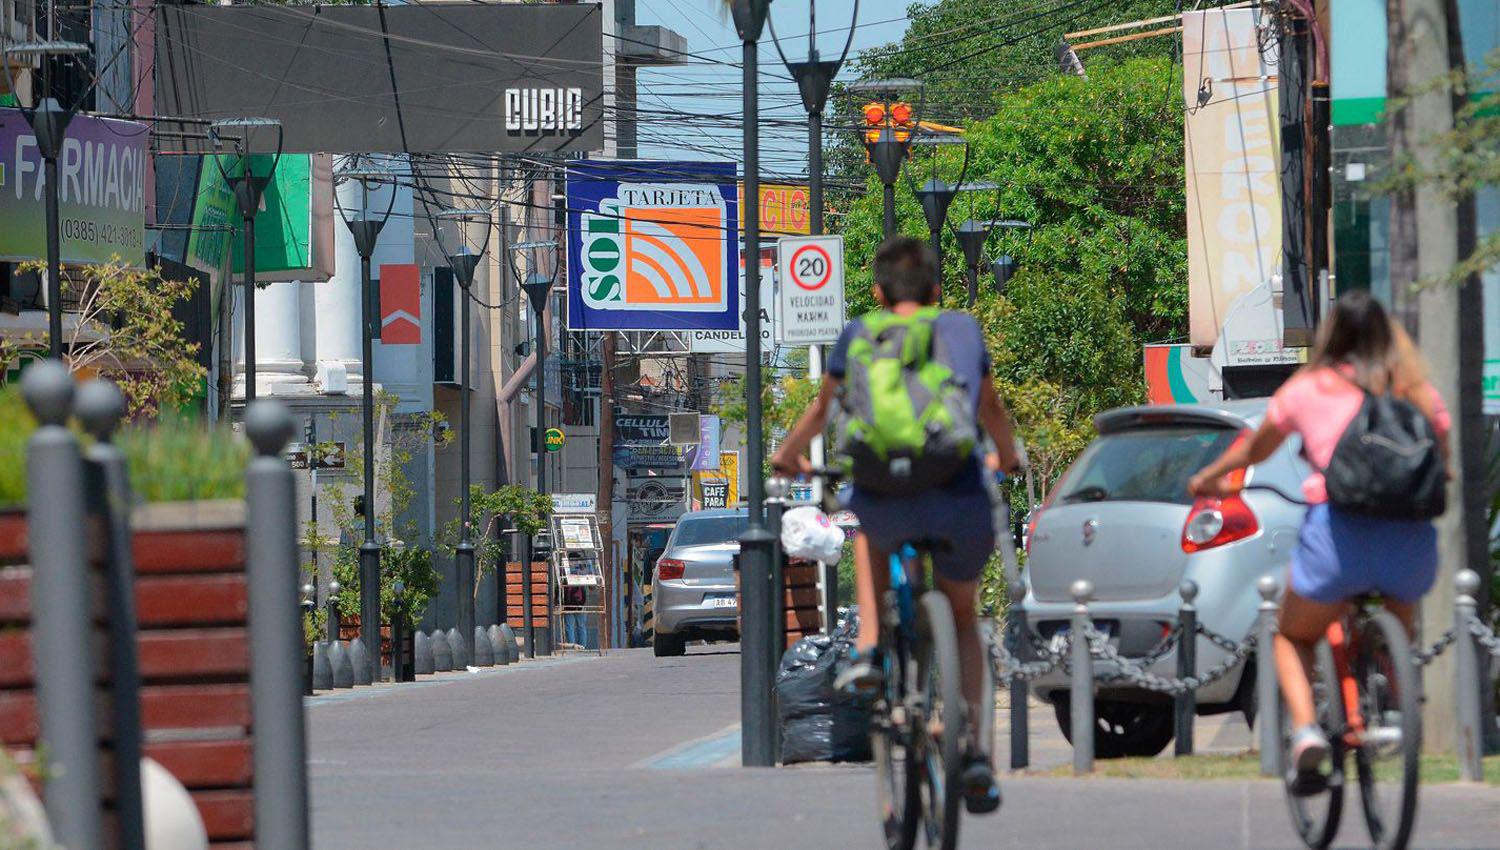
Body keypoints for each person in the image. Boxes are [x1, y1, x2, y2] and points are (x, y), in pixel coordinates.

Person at [772, 236, 1022, 814]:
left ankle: (866, 650)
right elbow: (991, 411)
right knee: (962, 617)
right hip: (956, 493)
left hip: (886, 495)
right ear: (936, 289)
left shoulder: (859, 333)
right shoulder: (961, 329)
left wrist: (788, 454)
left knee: (869, 533)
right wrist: (1005, 459)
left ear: (879, 293)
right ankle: (975, 750)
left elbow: (822, 409)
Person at [1188, 290, 1449, 787]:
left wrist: (1210, 479)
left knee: (1292, 634)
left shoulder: (1309, 389)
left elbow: (1254, 450)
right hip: (1410, 546)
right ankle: (1397, 693)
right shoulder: (1414, 389)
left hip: (1338, 542)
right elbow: (1444, 457)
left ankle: (1307, 731)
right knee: (1399, 616)